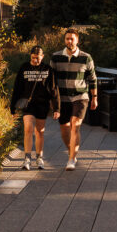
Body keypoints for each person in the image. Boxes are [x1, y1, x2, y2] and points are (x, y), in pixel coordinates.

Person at [51, 28, 97, 171]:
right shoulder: (56, 57)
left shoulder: (86, 57)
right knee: (64, 128)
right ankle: (72, 152)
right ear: (64, 40)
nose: (69, 41)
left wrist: (94, 98)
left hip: (80, 96)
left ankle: (71, 159)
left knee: (75, 125)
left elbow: (93, 79)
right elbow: (50, 81)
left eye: (72, 38)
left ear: (77, 40)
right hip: (62, 98)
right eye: (67, 39)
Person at [10, 45, 60, 170]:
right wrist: (12, 107)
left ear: (42, 57)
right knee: (28, 129)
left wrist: (57, 108)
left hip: (42, 104)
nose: (35, 61)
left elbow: (54, 89)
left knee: (40, 132)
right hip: (28, 104)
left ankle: (39, 158)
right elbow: (17, 88)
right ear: (30, 56)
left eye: (38, 58)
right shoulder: (24, 68)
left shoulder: (48, 69)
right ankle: (27, 158)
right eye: (33, 58)